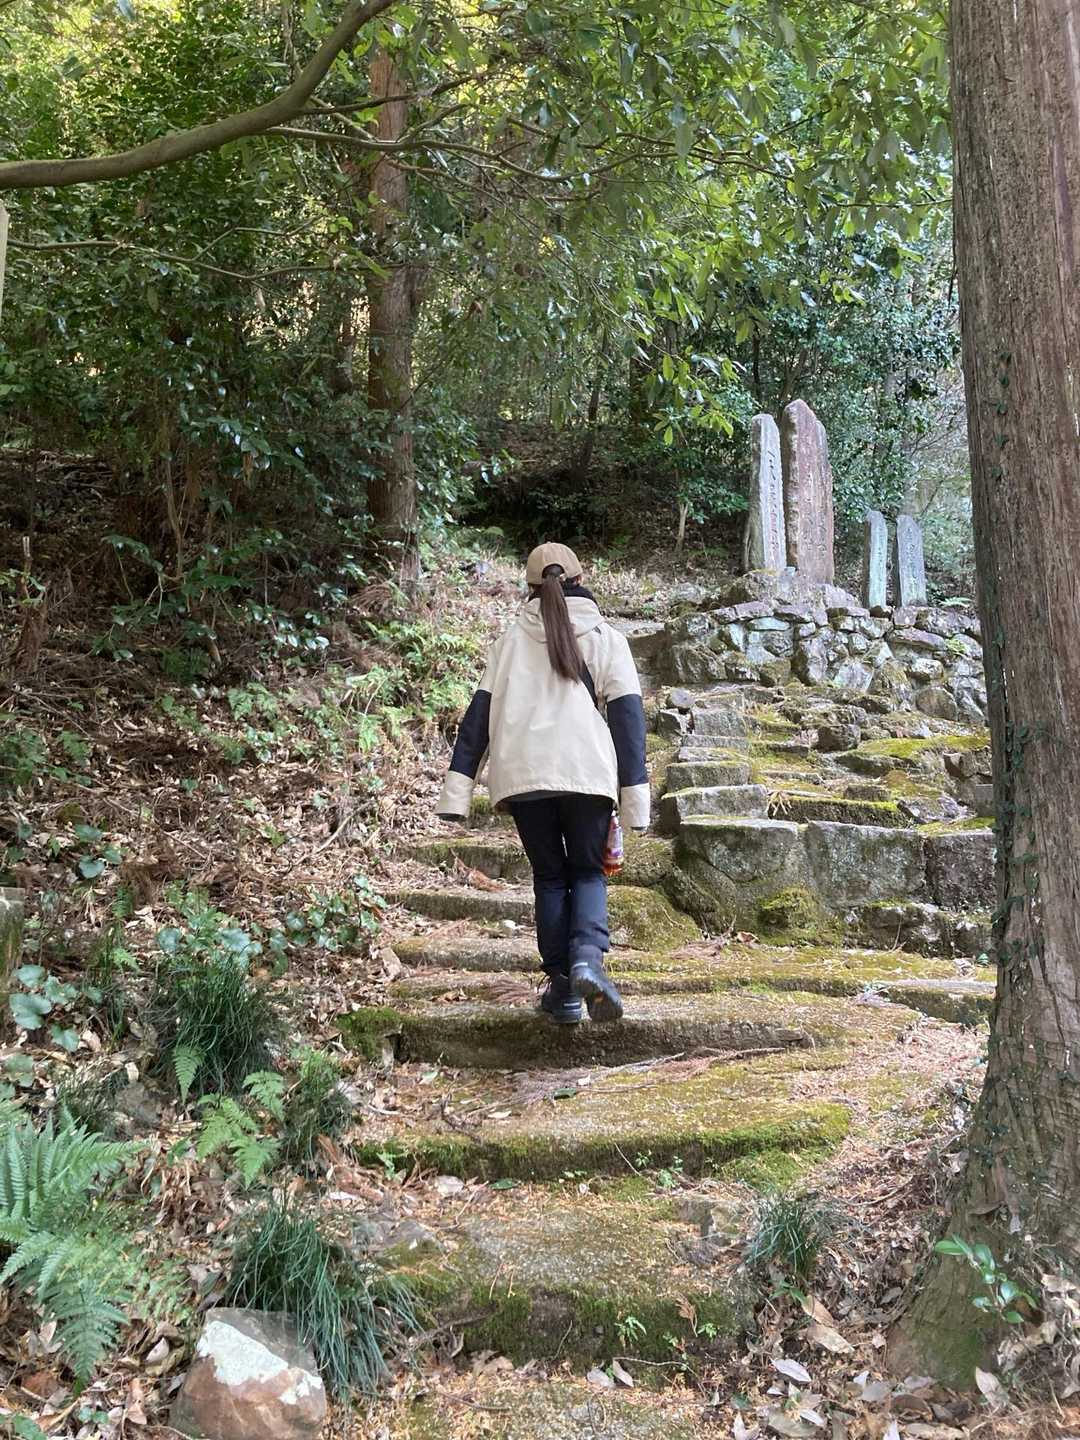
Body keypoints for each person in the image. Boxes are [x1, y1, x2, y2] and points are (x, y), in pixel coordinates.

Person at [437, 543, 649, 1026]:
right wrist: (635, 798)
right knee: (588, 874)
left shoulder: (509, 642)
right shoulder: (607, 638)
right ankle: (587, 961)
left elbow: (477, 721)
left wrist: (458, 790)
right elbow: (628, 722)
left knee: (550, 877)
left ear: (529, 588)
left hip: (523, 775)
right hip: (587, 772)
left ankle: (563, 990)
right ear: (580, 580)